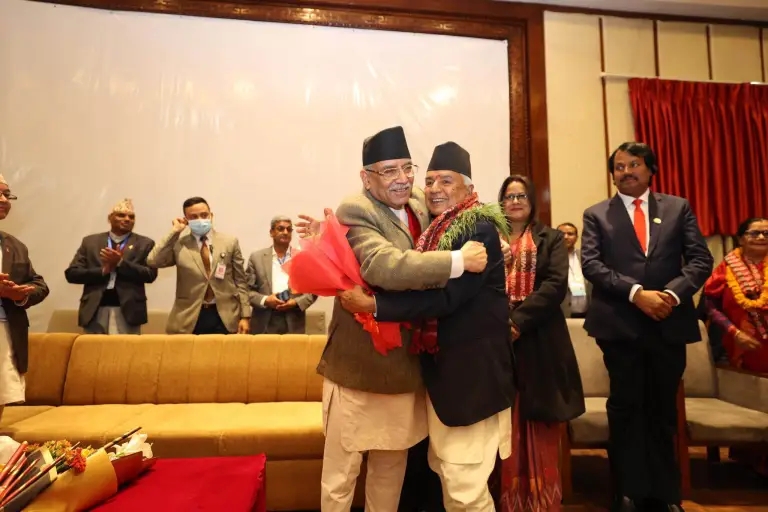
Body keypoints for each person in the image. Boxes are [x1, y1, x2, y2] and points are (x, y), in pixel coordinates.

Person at [301, 127, 488, 512]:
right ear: (366, 177)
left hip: (404, 366)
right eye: (389, 171)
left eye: (407, 168)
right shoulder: (356, 208)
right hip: (359, 366)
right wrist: (458, 261)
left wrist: (492, 237)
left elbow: (457, 207)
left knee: (391, 467)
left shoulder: (418, 200)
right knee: (342, 473)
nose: (402, 179)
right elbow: (383, 266)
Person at [339, 142, 515, 511]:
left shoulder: (477, 228)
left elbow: (446, 299)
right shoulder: (437, 228)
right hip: (445, 378)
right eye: (430, 180)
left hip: (472, 379)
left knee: (466, 489)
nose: (434, 189)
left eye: (446, 181)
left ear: (468, 187)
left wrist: (376, 306)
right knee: (452, 480)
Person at [581, 142, 713, 512]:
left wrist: (670, 295)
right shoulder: (597, 214)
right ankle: (628, 491)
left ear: (651, 169)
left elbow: (700, 260)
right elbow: (592, 264)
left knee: (662, 409)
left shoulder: (678, 208)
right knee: (625, 407)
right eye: (619, 167)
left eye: (634, 164)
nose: (626, 172)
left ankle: (666, 494)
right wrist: (637, 294)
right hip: (619, 326)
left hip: (668, 323)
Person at [495, 176, 585, 511]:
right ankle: (508, 500)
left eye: (521, 195)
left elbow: (555, 285)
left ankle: (540, 501)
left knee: (539, 421)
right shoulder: (489, 238)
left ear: (532, 200)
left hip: (540, 338)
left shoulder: (551, 238)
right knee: (504, 421)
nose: (515, 201)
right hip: (497, 341)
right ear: (501, 203)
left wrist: (517, 321)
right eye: (509, 196)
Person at [147, 196, 250, 335]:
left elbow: (240, 281)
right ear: (186, 220)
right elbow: (153, 261)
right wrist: (175, 231)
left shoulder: (229, 242)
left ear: (211, 215)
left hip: (226, 316)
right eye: (194, 217)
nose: (200, 220)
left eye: (204, 215)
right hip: (189, 317)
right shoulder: (179, 244)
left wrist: (245, 316)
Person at [64, 198, 158, 334]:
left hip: (128, 311)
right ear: (110, 218)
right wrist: (103, 271)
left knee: (125, 348)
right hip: (94, 309)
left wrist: (120, 263)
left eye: (131, 217)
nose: (127, 219)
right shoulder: (90, 242)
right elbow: (72, 274)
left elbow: (150, 275)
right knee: (93, 348)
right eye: (121, 215)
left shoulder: (145, 243)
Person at [0, 175, 49, 422]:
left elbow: (40, 285)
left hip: (6, 330)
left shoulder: (15, 245)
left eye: (6, 194)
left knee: (1, 393)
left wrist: (18, 295)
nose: (3, 199)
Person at [702, 217, 768, 374]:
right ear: (740, 239)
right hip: (742, 344)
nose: (761, 237)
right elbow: (709, 306)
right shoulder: (726, 268)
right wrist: (734, 332)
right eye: (754, 233)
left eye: (766, 233)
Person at [246, 215, 317, 334]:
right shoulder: (256, 258)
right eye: (280, 228)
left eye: (289, 229)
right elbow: (246, 291)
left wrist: (296, 302)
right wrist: (266, 300)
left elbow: (314, 290)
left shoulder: (302, 258)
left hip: (293, 320)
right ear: (271, 232)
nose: (285, 232)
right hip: (264, 321)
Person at [557, 222, 591, 318]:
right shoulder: (550, 259)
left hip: (588, 313)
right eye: (562, 234)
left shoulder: (585, 256)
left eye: (570, 234)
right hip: (563, 314)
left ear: (576, 237)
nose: (566, 237)